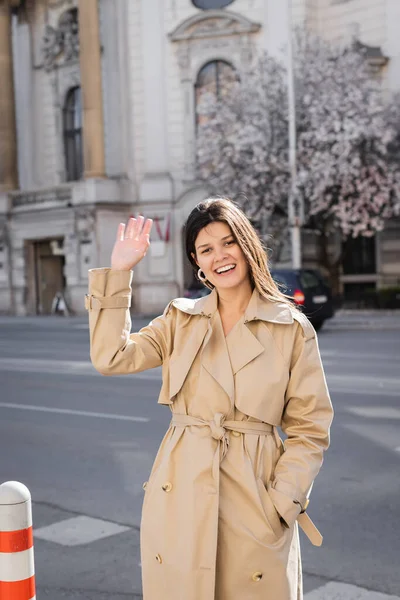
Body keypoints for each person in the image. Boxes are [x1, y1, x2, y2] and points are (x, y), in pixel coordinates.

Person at [86, 198, 333, 600]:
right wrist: (119, 273)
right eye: (206, 249)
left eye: (228, 242)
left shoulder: (291, 329)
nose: (220, 256)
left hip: (255, 498)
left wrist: (282, 502)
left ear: (247, 246)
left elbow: (311, 430)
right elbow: (111, 358)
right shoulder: (181, 320)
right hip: (182, 491)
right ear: (197, 263)